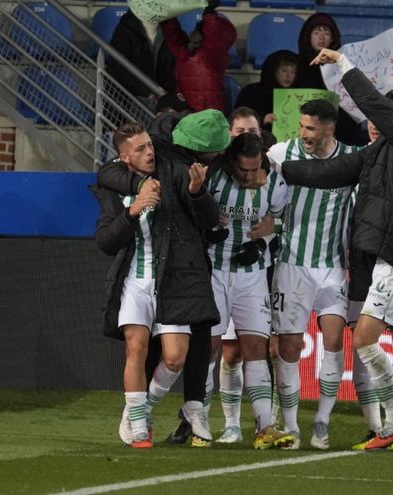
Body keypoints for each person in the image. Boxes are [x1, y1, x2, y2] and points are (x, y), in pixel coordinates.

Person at [281, 47, 393, 451]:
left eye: (382, 117)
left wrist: (342, 62)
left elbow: (370, 100)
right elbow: (333, 171)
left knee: (364, 341)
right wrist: (276, 170)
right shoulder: (380, 152)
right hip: (390, 256)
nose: (373, 122)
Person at [98, 110, 232, 447]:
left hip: (171, 281)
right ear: (124, 156)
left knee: (174, 357)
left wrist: (198, 192)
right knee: (137, 349)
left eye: (149, 145)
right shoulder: (116, 188)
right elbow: (105, 241)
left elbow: (205, 219)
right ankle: (139, 428)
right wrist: (133, 209)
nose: (149, 152)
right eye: (141, 149)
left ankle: (140, 411)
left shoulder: (174, 171)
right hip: (136, 281)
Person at [264, 99, 361, 450]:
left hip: (334, 266)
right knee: (288, 346)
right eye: (302, 127)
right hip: (292, 265)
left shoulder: (351, 157)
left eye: (310, 128)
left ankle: (322, 420)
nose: (303, 134)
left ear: (329, 129)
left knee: (334, 340)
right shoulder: (282, 151)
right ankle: (290, 426)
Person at [196, 132, 290, 449]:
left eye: (255, 169)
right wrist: (207, 233)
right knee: (208, 350)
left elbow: (281, 221)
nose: (250, 176)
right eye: (244, 170)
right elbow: (193, 211)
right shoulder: (214, 178)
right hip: (215, 272)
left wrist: (264, 241)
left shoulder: (275, 183)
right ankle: (201, 425)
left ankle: (264, 427)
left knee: (256, 350)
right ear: (232, 163)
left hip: (252, 275)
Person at [293, 13, 367, 146]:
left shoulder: (343, 64)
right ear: (308, 36)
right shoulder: (296, 65)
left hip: (340, 130)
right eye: (316, 32)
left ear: (333, 38)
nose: (321, 37)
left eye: (326, 33)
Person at [160, 1, 237, 112]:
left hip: (206, 115)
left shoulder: (214, 55)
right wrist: (167, 14)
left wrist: (209, 13)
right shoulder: (186, 52)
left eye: (197, 30)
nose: (192, 33)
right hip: (186, 112)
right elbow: (173, 35)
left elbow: (213, 36)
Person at [107, 10, 175, 111]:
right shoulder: (125, 29)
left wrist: (164, 95)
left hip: (160, 95)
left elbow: (173, 69)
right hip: (129, 96)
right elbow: (119, 69)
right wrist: (148, 92)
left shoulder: (168, 31)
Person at [234, 50, 298, 132]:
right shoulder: (251, 92)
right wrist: (262, 119)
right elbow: (238, 119)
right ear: (274, 70)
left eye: (293, 72)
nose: (289, 76)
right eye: (284, 70)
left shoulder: (296, 95)